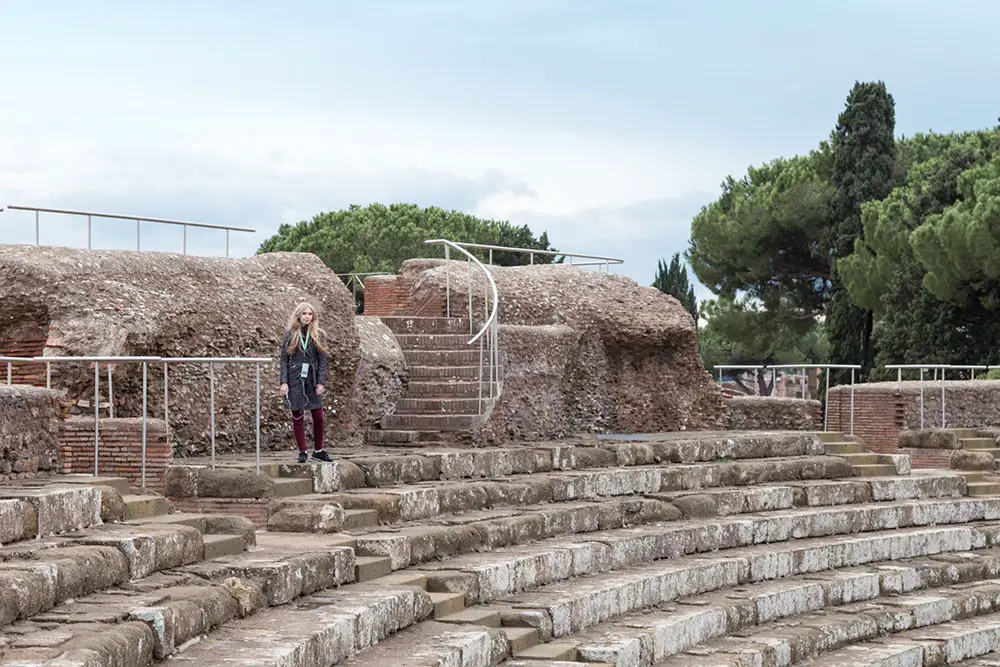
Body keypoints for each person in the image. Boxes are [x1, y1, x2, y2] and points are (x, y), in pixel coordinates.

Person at [279, 302, 332, 463]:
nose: (307, 317)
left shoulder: (318, 334)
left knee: (318, 416)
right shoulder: (290, 334)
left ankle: (318, 450)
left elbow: (322, 360)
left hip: (312, 377)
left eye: (310, 314)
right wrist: (284, 382)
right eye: (304, 314)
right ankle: (302, 450)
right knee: (297, 415)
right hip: (295, 377)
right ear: (298, 316)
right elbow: (283, 360)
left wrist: (321, 382)